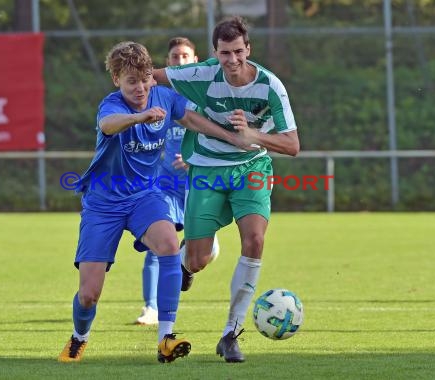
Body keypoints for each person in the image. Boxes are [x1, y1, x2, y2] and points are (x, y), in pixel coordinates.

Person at [58, 41, 254, 364]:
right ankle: (80, 337)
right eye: (130, 81)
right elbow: (108, 125)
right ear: (116, 81)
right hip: (103, 201)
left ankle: (165, 338)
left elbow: (191, 120)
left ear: (152, 76)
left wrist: (231, 137)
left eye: (145, 79)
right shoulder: (110, 106)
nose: (140, 87)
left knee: (167, 244)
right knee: (89, 295)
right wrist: (140, 118)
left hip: (144, 196)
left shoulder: (164, 96)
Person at [153, 16, 300, 363]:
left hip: (252, 168)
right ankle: (188, 261)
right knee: (198, 259)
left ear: (248, 49)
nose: (232, 60)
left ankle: (230, 333)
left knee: (255, 239)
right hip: (206, 167)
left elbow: (292, 145)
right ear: (214, 53)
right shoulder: (200, 74)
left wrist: (253, 136)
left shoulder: (270, 85)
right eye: (224, 53)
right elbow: (152, 77)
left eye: (238, 52)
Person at [135, 37, 220, 326]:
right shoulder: (157, 95)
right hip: (164, 185)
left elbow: (215, 136)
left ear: (195, 61)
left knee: (209, 251)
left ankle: (186, 266)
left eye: (185, 56)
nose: (180, 61)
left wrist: (193, 157)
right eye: (175, 57)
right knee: (157, 245)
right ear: (168, 62)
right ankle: (152, 307)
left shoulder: (205, 98)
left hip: (198, 184)